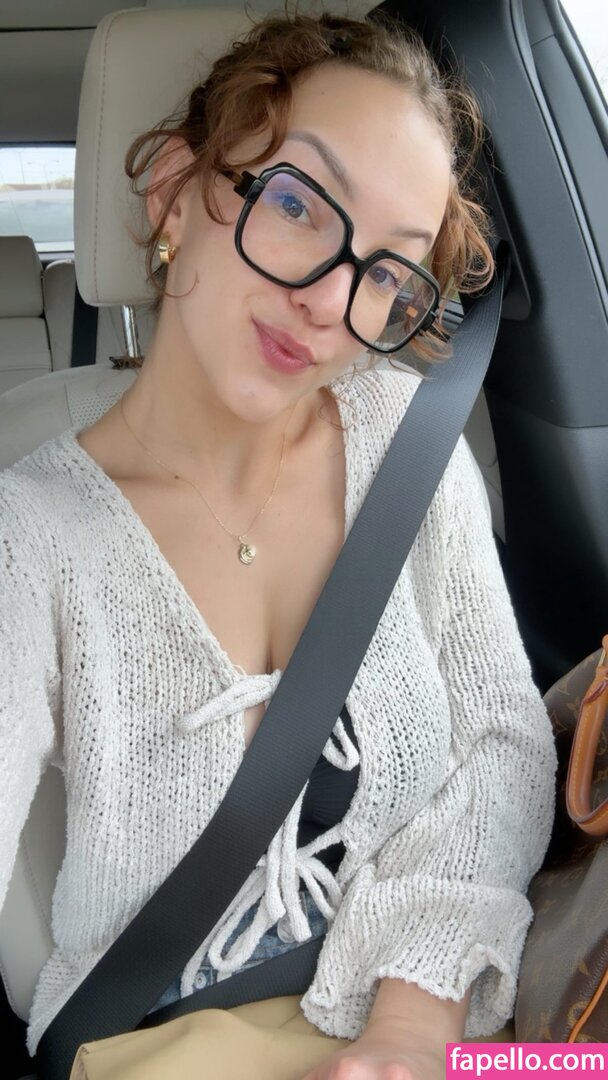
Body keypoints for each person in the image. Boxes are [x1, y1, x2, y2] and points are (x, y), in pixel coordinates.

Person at [0, 8, 556, 1079]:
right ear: (174, 190)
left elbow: (503, 746)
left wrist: (411, 1022)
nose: (332, 300)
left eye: (387, 272)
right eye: (299, 204)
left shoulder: (412, 452)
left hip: (444, 1031)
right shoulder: (31, 537)